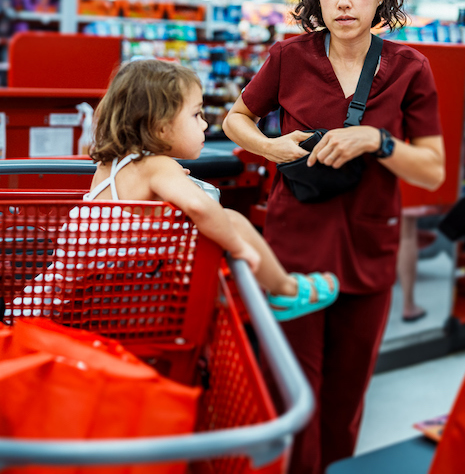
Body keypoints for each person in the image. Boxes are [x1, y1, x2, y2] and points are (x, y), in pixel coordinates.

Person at [222, 0, 445, 473]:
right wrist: (270, 147)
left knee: (344, 404)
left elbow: (434, 171)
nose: (344, 1)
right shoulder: (288, 57)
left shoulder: (411, 67)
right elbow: (235, 119)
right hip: (293, 254)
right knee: (294, 395)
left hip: (368, 250)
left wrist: (378, 141)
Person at [86, 58, 338, 321]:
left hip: (99, 287)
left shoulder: (109, 164)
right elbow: (199, 207)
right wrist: (238, 247)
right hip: (131, 296)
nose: (205, 124)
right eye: (196, 115)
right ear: (161, 126)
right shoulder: (158, 166)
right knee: (231, 220)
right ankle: (284, 290)